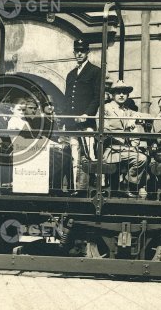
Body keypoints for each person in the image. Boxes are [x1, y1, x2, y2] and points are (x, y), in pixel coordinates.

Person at [102, 80, 152, 196]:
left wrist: (137, 118)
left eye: (124, 93)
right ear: (112, 95)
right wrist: (125, 132)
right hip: (112, 149)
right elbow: (103, 130)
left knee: (147, 158)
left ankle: (127, 183)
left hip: (126, 150)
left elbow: (148, 116)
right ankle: (126, 184)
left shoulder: (128, 111)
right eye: (118, 92)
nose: (121, 95)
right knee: (141, 159)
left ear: (127, 95)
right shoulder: (105, 108)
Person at [64, 39, 103, 190]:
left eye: (82, 51)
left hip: (87, 123)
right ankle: (77, 189)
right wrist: (67, 120)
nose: (79, 54)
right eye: (77, 51)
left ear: (88, 52)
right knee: (75, 158)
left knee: (89, 156)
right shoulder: (71, 74)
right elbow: (68, 99)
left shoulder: (95, 71)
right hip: (72, 124)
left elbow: (97, 97)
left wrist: (87, 114)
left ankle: (90, 189)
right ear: (74, 52)